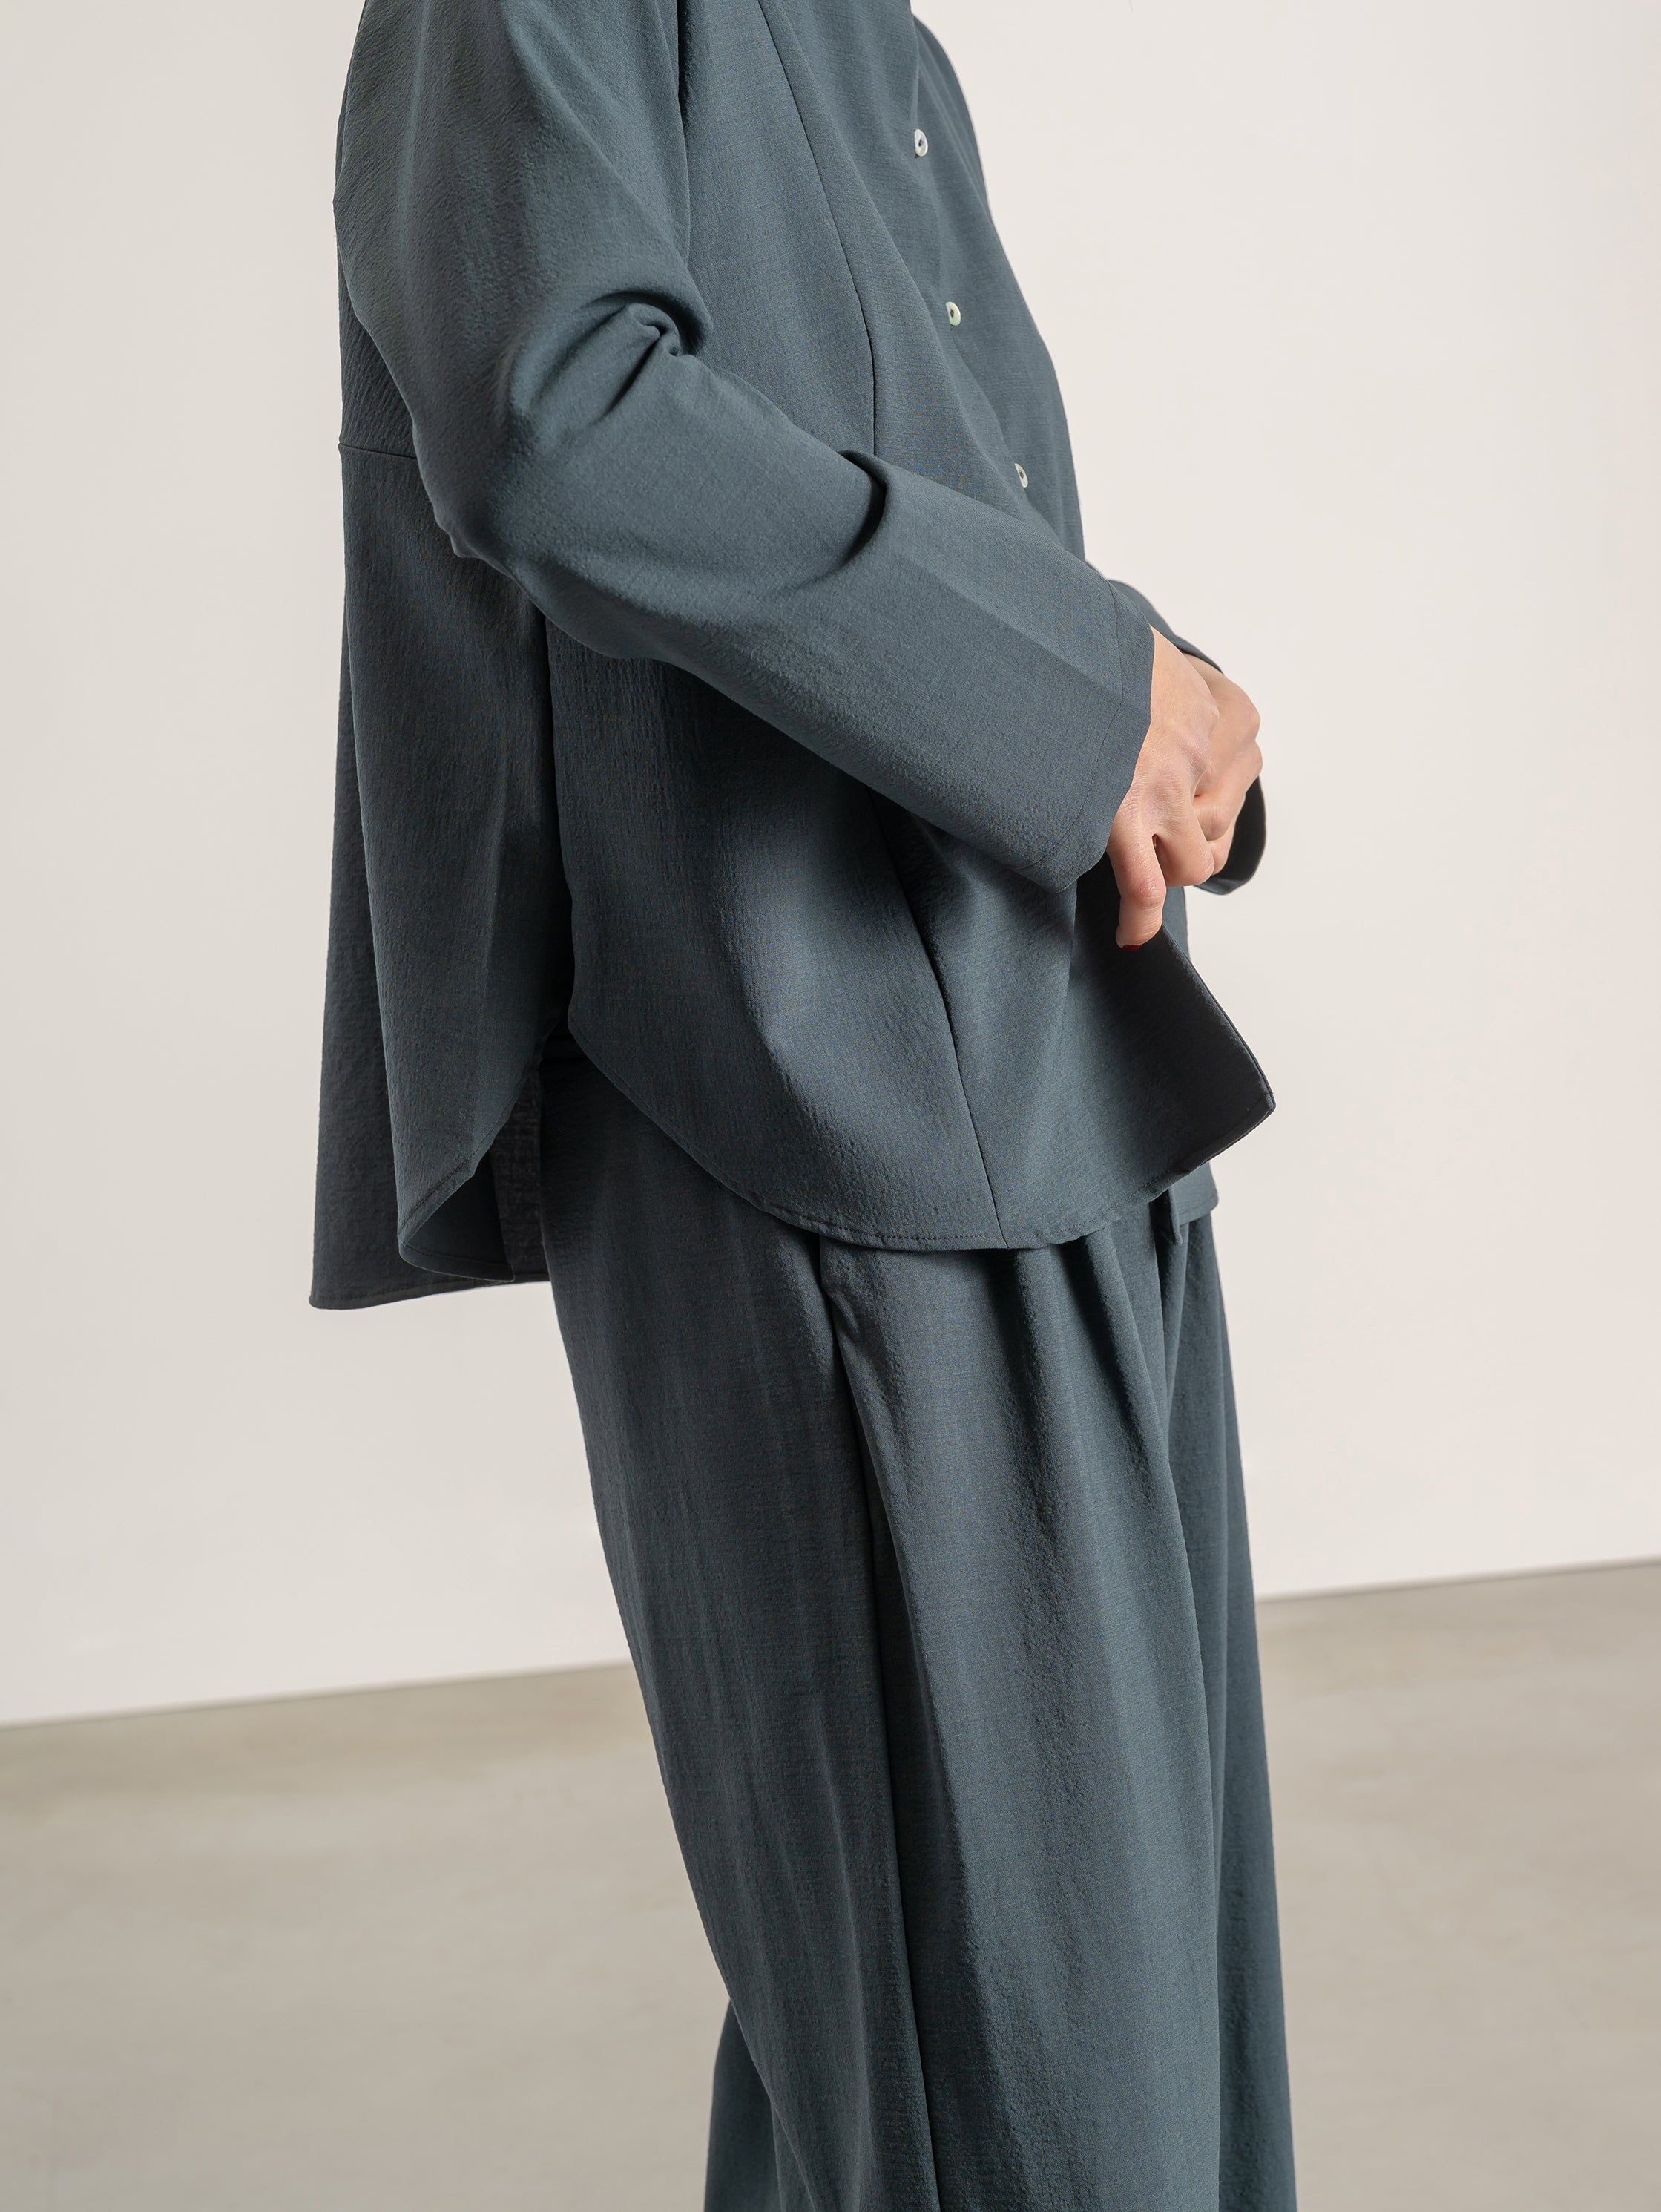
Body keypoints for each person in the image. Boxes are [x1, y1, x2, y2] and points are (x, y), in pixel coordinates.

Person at [312, 0, 1295, 2203]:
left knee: (1084, 2038)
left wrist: (1157, 705)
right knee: (1028, 2092)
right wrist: (1083, 692)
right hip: (816, 1098)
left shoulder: (872, 37)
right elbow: (561, 422)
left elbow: (906, 470)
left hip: (1063, 1066)